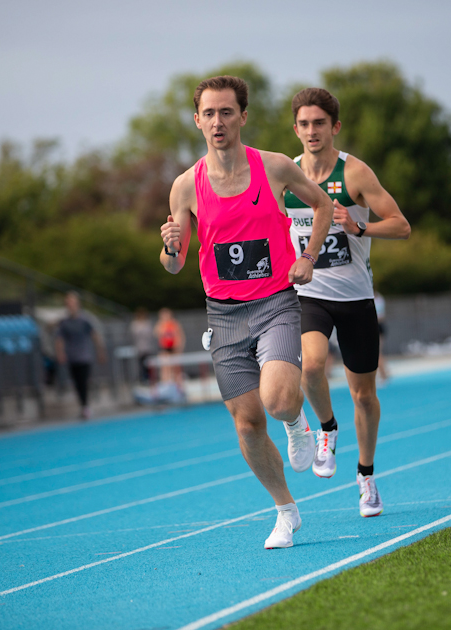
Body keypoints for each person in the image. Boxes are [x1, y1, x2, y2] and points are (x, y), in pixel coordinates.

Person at [159, 75, 333, 548]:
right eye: (209, 114)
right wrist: (171, 248)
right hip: (223, 316)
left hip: (275, 302)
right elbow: (174, 265)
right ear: (197, 121)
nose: (218, 122)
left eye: (226, 112)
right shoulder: (185, 187)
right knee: (248, 423)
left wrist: (308, 257)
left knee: (277, 401)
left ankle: (297, 423)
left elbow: (322, 205)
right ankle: (285, 510)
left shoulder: (274, 168)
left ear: (243, 116)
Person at [285, 87, 411, 518]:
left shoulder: (354, 173)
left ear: (334, 127)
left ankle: (366, 475)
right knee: (313, 365)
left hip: (356, 297)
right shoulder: (286, 174)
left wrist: (360, 229)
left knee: (363, 396)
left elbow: (401, 225)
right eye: (303, 123)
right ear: (296, 128)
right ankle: (327, 429)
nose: (311, 131)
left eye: (319, 123)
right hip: (311, 293)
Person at [56, 292, 107, 420]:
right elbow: (59, 340)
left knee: (84, 382)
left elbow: (95, 336)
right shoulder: (65, 322)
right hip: (72, 357)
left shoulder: (85, 319)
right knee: (76, 383)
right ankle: (83, 405)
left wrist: (100, 351)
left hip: (84, 356)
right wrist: (60, 353)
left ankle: (86, 406)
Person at [154, 307, 186, 389]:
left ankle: (178, 385)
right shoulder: (161, 325)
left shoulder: (174, 323)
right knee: (165, 367)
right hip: (165, 348)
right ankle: (166, 385)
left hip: (174, 348)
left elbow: (180, 336)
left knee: (176, 367)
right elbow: (156, 334)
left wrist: (179, 347)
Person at [130, 308, 157, 383]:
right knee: (141, 364)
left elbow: (151, 334)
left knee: (149, 364)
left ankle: (150, 378)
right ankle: (143, 378)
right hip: (140, 348)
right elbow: (134, 334)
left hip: (148, 347)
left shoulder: (147, 323)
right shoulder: (135, 324)